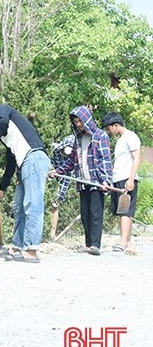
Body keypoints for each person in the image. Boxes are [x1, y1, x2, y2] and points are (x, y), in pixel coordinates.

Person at [0, 102, 51, 263]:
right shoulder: (5, 134)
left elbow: (1, 123)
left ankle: (31, 249)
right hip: (23, 165)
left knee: (33, 204)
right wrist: (3, 187)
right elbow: (11, 161)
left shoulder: (1, 110)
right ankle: (17, 247)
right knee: (19, 207)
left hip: (34, 158)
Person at [50, 106, 112, 256]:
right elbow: (72, 162)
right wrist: (57, 171)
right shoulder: (78, 139)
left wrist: (106, 180)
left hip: (96, 182)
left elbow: (105, 160)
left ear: (87, 120)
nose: (78, 124)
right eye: (76, 122)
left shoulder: (100, 136)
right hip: (82, 181)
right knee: (85, 215)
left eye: (80, 121)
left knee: (95, 213)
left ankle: (95, 245)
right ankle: (89, 244)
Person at [101, 113, 141, 253]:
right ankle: (128, 243)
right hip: (118, 179)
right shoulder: (121, 140)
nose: (108, 131)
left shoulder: (131, 137)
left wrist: (130, 179)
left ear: (116, 125)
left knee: (126, 210)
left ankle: (123, 242)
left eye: (109, 128)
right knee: (121, 211)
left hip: (127, 179)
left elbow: (137, 158)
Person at [49, 134, 75, 239]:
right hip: (47, 176)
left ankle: (51, 234)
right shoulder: (51, 150)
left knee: (54, 205)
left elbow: (65, 181)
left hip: (59, 180)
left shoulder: (70, 162)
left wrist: (58, 197)